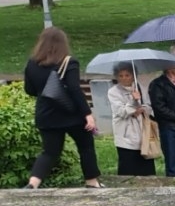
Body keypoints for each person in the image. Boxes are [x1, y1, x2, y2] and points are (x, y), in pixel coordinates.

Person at [21, 28, 102, 189]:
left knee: (50, 152)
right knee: (85, 147)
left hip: (46, 114)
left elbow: (29, 90)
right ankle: (92, 182)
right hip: (72, 114)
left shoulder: (32, 63)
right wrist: (87, 114)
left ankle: (33, 184)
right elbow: (74, 89)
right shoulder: (69, 62)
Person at [107, 66, 157, 177]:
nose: (124, 78)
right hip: (125, 133)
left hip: (143, 131)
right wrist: (133, 101)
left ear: (133, 76)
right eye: (120, 76)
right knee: (128, 167)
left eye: (127, 75)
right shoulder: (113, 92)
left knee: (146, 167)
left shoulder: (140, 87)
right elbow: (121, 111)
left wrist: (142, 109)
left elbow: (149, 106)